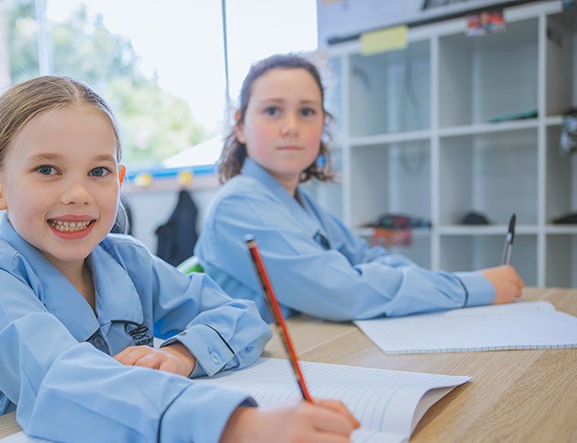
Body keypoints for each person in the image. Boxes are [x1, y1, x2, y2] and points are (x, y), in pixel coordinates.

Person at [0, 75, 360, 443]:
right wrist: (236, 432)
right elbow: (61, 381)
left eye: (98, 171)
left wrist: (184, 354)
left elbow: (242, 317)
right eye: (47, 170)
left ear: (119, 179)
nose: (78, 193)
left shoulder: (127, 260)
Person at [195, 53, 525, 323]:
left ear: (323, 124)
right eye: (272, 111)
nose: (291, 127)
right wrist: (470, 288)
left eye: (307, 111)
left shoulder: (297, 202)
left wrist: (440, 286)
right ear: (240, 125)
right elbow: (346, 293)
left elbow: (369, 258)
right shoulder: (239, 205)